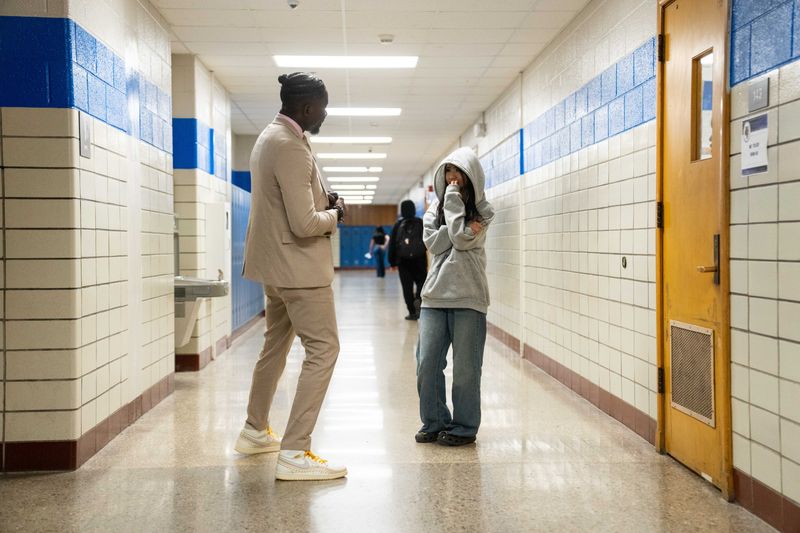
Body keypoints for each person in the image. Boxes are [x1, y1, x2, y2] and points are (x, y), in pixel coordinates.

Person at [235, 72, 347, 481]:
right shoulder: (291, 146)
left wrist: (323, 200)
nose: (325, 112)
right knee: (324, 350)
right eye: (323, 105)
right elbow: (304, 224)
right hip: (299, 269)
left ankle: (254, 429)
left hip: (274, 267)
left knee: (275, 347)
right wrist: (335, 215)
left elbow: (287, 204)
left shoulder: (269, 138)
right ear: (306, 108)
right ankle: (295, 450)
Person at [414, 147, 495, 447]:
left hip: (470, 299)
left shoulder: (485, 213)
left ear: (471, 177)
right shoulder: (431, 212)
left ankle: (463, 427)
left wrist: (455, 223)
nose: (453, 178)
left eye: (459, 173)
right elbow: (435, 245)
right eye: (449, 172)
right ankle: (434, 421)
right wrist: (457, 225)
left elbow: (458, 240)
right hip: (434, 297)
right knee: (427, 364)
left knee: (466, 369)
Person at [388, 200, 427, 320]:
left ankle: (411, 312)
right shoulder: (420, 222)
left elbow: (392, 245)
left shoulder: (398, 224)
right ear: (414, 209)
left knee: (407, 287)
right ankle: (418, 299)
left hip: (403, 261)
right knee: (422, 282)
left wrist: (392, 262)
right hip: (419, 259)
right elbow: (427, 239)